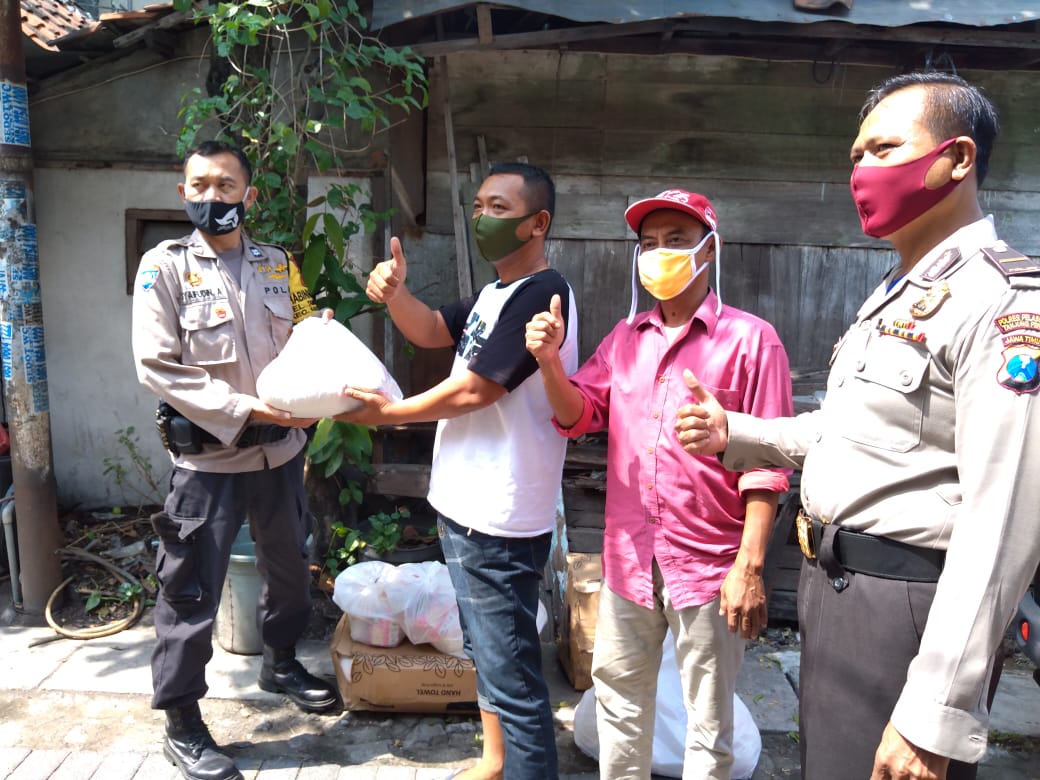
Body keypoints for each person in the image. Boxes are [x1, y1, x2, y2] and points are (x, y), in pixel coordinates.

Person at [677, 72, 1040, 780]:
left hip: (906, 605)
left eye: (883, 148)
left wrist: (934, 711)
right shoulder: (897, 294)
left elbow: (1004, 522)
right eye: (855, 155)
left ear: (957, 158)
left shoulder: (1001, 301)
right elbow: (846, 433)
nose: (860, 170)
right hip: (835, 586)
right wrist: (735, 433)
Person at [525, 188, 793, 779]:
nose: (659, 253)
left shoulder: (752, 340)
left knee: (709, 724)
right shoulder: (626, 340)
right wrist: (548, 363)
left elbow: (768, 465)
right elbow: (578, 413)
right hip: (628, 561)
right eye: (648, 243)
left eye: (676, 240)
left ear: (708, 249)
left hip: (710, 564)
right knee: (619, 705)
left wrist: (749, 567)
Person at [338, 161, 578, 780]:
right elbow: (429, 331)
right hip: (465, 506)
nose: (482, 218)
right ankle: (495, 762)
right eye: (478, 206)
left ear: (538, 223)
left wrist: (389, 415)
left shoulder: (541, 294)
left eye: (499, 208)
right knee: (486, 652)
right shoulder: (495, 294)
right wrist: (396, 293)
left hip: (498, 517)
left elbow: (477, 390)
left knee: (513, 675)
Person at [132, 140, 339, 780]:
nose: (212, 196)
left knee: (289, 568)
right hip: (209, 464)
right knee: (189, 591)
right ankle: (182, 722)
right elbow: (157, 365)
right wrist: (248, 409)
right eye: (199, 185)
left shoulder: (279, 264)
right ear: (183, 193)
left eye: (225, 186)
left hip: (280, 456)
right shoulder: (163, 268)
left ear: (248, 195)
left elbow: (306, 327)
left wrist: (321, 334)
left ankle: (280, 662)